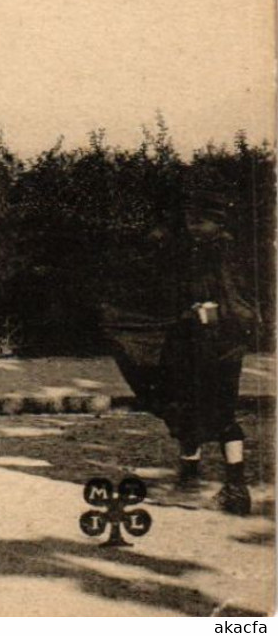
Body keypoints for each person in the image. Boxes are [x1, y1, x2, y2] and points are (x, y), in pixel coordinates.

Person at [104, 187, 259, 514]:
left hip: (219, 342)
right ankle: (196, 477)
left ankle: (234, 486)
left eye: (197, 220)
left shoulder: (223, 251)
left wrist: (212, 311)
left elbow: (240, 302)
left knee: (218, 408)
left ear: (213, 221)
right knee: (186, 402)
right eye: (189, 218)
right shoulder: (195, 249)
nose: (191, 224)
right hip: (195, 340)